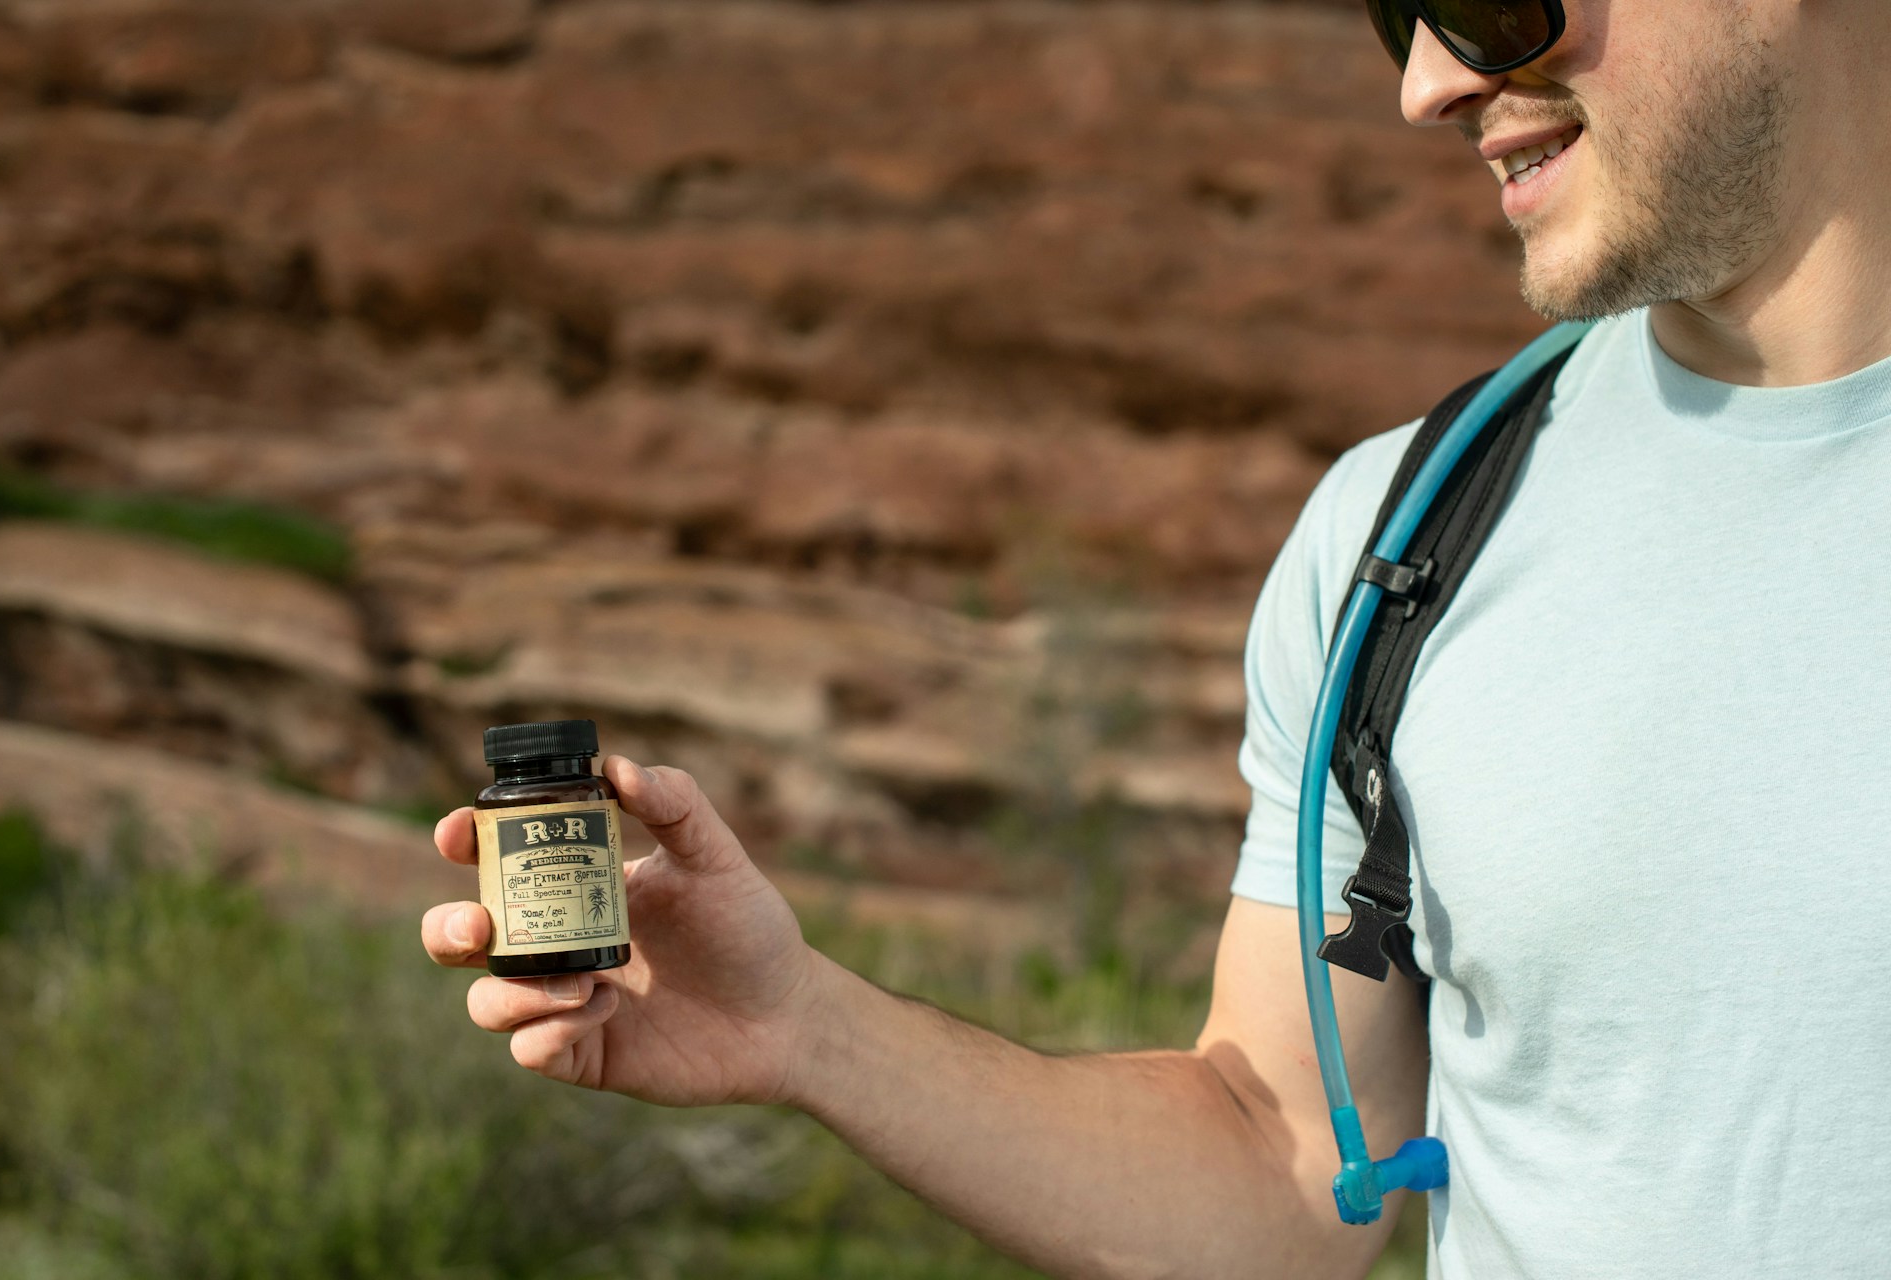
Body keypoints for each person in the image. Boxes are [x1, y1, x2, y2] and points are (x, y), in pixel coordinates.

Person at [422, 2, 1891, 1274]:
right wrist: (806, 1030)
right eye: (1402, 17)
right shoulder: (1400, 538)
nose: (1428, 86)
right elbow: (1282, 1163)